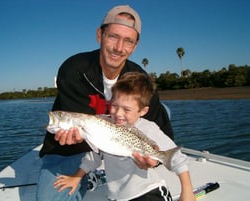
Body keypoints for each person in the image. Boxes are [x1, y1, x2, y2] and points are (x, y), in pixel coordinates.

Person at [37, 5, 174, 201]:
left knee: (163, 111)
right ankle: (90, 174)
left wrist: (154, 160)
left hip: (120, 143)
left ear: (135, 46)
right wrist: (70, 139)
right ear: (99, 35)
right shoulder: (74, 69)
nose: (119, 48)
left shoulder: (138, 78)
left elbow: (163, 128)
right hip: (74, 150)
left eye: (128, 41)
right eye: (113, 36)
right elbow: (72, 125)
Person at [54, 72, 196, 201]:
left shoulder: (148, 128)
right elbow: (93, 157)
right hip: (117, 197)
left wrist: (187, 191)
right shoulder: (101, 123)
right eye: (115, 106)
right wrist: (76, 177)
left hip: (148, 192)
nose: (119, 114)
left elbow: (176, 158)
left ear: (143, 111)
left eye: (127, 109)